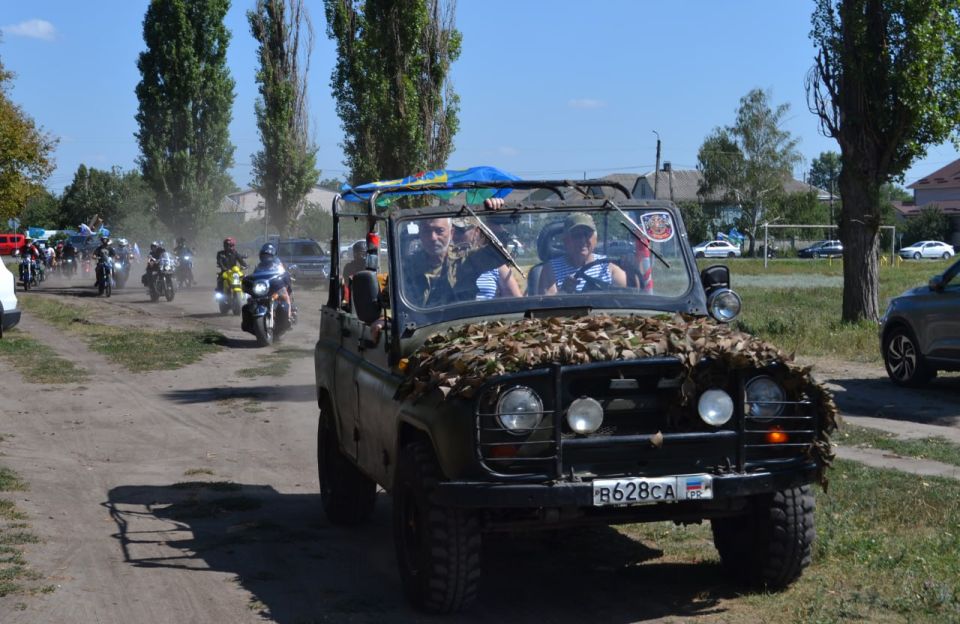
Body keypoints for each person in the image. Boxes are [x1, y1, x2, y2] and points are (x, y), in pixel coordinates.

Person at [538, 212, 627, 295]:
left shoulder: (609, 268)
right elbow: (545, 307)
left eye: (587, 234)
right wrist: (563, 292)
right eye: (576, 235)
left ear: (595, 239)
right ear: (565, 240)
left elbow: (626, 302)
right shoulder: (550, 270)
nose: (582, 241)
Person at [451, 217, 522, 300]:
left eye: (460, 231)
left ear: (476, 232)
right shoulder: (442, 263)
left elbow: (515, 300)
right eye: (451, 231)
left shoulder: (493, 262)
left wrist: (493, 211)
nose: (454, 236)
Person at [254, 243, 296, 321]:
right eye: (264, 255)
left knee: (285, 296)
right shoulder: (259, 266)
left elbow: (283, 273)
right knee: (251, 298)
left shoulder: (277, 263)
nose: (266, 257)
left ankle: (288, 316)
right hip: (264, 288)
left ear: (273, 255)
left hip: (276, 286)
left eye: (268, 255)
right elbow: (254, 276)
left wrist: (286, 277)